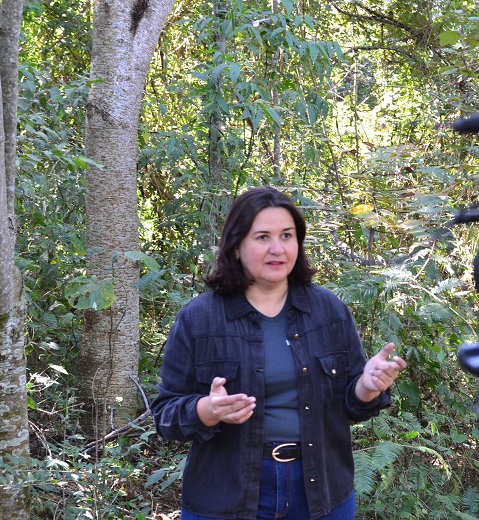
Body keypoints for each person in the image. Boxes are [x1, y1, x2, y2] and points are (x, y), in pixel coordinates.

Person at [152, 186, 407, 520]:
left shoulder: (328, 311)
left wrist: (368, 386)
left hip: (320, 491)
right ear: (237, 246)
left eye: (287, 235)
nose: (277, 248)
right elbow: (166, 415)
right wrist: (208, 409)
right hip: (226, 495)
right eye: (262, 237)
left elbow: (352, 403)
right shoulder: (199, 318)